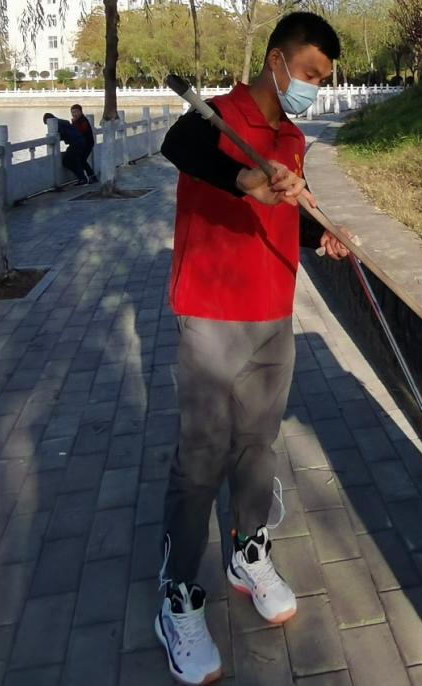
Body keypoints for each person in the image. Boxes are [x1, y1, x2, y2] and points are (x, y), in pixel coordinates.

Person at [155, 12, 350, 685]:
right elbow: (180, 147)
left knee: (258, 447)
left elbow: (286, 213)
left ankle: (248, 552)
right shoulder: (216, 116)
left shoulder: (292, 138)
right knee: (201, 458)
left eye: (323, 80)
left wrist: (319, 235)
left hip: (273, 311)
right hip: (212, 313)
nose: (312, 88)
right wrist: (245, 178)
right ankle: (178, 594)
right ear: (276, 60)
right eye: (309, 73)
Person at [42, 112, 89, 185]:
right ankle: (83, 178)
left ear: (48, 120)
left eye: (47, 124)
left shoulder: (57, 124)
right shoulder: (62, 121)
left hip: (76, 143)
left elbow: (61, 134)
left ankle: (82, 178)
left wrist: (56, 138)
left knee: (67, 161)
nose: (48, 126)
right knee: (74, 160)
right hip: (80, 141)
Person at [69, 104, 98, 183]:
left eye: (76, 112)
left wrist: (74, 123)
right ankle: (91, 177)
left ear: (81, 112)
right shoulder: (78, 120)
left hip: (87, 144)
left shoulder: (83, 120)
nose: (74, 114)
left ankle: (90, 177)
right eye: (73, 112)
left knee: (81, 160)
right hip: (84, 144)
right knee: (81, 160)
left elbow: (80, 131)